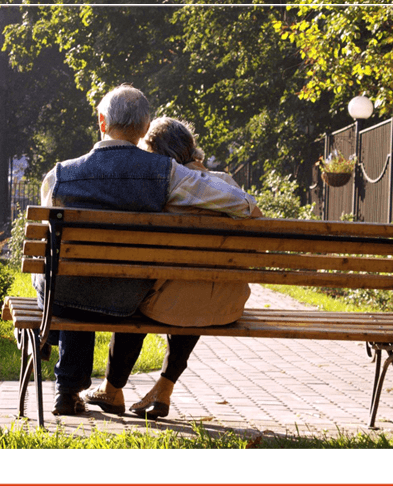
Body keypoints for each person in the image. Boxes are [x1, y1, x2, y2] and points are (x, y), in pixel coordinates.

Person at [32, 84, 260, 416]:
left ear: (101, 121)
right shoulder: (167, 174)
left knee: (67, 274)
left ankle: (66, 389)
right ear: (143, 127)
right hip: (126, 298)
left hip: (66, 295)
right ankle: (73, 386)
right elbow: (241, 203)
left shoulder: (59, 176)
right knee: (85, 280)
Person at [84, 117, 261, 418]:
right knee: (196, 283)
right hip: (226, 305)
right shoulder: (226, 184)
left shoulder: (163, 189)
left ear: (153, 151)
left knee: (139, 292)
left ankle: (112, 389)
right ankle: (163, 390)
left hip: (167, 304)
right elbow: (255, 215)